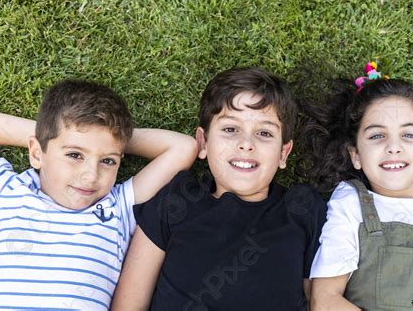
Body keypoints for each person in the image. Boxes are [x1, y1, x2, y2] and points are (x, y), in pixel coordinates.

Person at [111, 67, 327, 310]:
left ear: (283, 153)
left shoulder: (302, 208)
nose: (246, 144)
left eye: (264, 133)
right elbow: (128, 305)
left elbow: (321, 301)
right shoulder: (176, 200)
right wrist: (105, 138)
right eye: (230, 129)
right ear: (203, 142)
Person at [0, 79, 197, 310]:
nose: (91, 175)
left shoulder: (118, 208)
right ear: (36, 153)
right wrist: (48, 132)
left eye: (108, 160)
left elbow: (183, 148)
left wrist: (113, 138)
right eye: (74, 155)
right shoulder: (6, 189)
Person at [300, 62, 413, 310]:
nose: (393, 146)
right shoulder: (350, 205)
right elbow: (324, 301)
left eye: (409, 135)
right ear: (355, 154)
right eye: (377, 135)